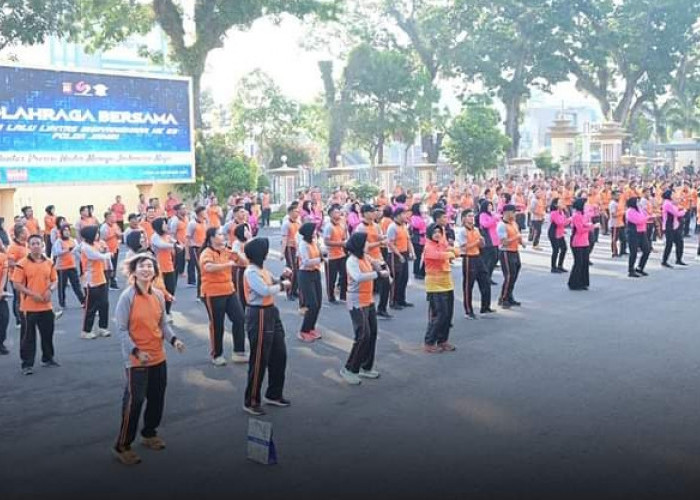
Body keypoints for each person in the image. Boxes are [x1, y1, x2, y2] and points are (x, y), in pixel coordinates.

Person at [112, 252, 185, 466]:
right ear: (134, 271)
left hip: (157, 356)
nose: (146, 269)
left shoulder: (158, 295)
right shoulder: (127, 297)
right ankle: (122, 445)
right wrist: (136, 352)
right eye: (142, 266)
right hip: (137, 360)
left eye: (150, 267)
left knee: (157, 396)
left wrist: (174, 341)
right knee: (134, 401)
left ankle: (149, 433)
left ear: (155, 272)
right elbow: (121, 329)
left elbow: (163, 324)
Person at [242, 237, 292, 416]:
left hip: (271, 311)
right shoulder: (251, 272)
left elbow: (272, 283)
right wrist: (282, 285)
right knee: (259, 358)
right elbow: (264, 290)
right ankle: (251, 400)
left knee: (280, 353)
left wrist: (282, 278)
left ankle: (274, 393)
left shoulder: (262, 269)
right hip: (259, 313)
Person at [340, 231, 388, 384]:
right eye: (366, 243)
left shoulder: (365, 257)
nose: (368, 245)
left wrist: (381, 265)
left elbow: (377, 263)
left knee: (372, 333)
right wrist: (378, 274)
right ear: (359, 245)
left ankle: (365, 366)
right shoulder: (352, 261)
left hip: (368, 300)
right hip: (356, 301)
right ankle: (349, 368)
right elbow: (358, 277)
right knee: (363, 335)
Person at [199, 228, 247, 366]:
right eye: (219, 234)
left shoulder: (227, 251)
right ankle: (217, 354)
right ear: (212, 238)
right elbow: (208, 267)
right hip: (212, 292)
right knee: (217, 324)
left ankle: (239, 352)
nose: (223, 236)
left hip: (229, 290)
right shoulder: (206, 253)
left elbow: (244, 263)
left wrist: (238, 253)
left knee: (239, 319)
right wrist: (228, 264)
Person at [13, 234, 59, 375]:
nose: (36, 246)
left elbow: (55, 280)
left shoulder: (49, 262)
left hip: (46, 306)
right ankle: (27, 364)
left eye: (38, 243)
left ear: (42, 245)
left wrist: (50, 290)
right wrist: (33, 294)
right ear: (29, 245)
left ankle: (47, 358)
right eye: (32, 243)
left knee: (47, 334)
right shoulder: (22, 264)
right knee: (28, 337)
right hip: (29, 307)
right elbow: (16, 284)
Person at [423, 223, 456, 353]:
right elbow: (439, 256)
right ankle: (429, 342)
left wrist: (450, 252)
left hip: (447, 282)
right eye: (434, 232)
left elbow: (455, 250)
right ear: (430, 233)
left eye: (439, 232)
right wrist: (450, 253)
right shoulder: (428, 246)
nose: (437, 234)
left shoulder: (441, 244)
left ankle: (443, 340)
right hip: (435, 285)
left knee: (448, 315)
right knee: (439, 315)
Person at [355, 204, 392, 319]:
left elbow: (378, 236)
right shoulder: (360, 228)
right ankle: (365, 310)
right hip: (367, 259)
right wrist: (380, 243)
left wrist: (384, 238)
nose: (374, 213)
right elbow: (364, 247)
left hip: (378, 257)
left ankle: (381, 308)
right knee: (368, 286)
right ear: (365, 213)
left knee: (386, 282)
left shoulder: (376, 225)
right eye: (371, 211)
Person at [456, 209, 492, 319]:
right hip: (468, 258)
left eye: (472, 216)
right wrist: (476, 242)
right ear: (464, 219)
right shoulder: (462, 231)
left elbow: (481, 245)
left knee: (485, 281)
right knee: (468, 285)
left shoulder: (476, 229)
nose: (472, 218)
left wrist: (482, 242)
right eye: (469, 216)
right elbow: (463, 247)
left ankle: (485, 307)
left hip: (478, 256)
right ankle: (468, 310)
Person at [80, 226, 113, 339]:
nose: (98, 235)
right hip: (91, 281)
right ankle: (86, 331)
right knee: (91, 307)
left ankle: (103, 327)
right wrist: (107, 255)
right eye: (96, 233)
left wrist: (105, 250)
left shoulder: (95, 244)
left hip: (101, 278)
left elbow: (103, 249)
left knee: (104, 304)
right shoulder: (85, 247)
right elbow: (96, 256)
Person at [296, 222, 323, 343]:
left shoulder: (314, 242)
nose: (315, 232)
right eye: (313, 231)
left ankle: (311, 327)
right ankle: (303, 330)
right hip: (305, 274)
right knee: (312, 304)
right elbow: (306, 261)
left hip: (315, 272)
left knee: (318, 303)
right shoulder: (303, 244)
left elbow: (321, 252)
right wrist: (320, 259)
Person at [151, 218, 179, 321]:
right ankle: (160, 312)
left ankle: (167, 311)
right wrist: (174, 245)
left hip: (169, 266)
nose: (166, 225)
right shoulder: (155, 237)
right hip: (159, 268)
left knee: (170, 290)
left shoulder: (167, 236)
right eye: (164, 224)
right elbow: (161, 245)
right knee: (160, 291)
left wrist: (177, 243)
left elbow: (175, 242)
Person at [497, 205, 525, 307]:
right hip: (506, 252)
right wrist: (516, 237)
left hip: (515, 251)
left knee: (514, 275)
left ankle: (509, 296)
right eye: (513, 212)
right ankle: (503, 298)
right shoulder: (501, 225)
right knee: (509, 276)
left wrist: (521, 241)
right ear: (506, 213)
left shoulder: (514, 223)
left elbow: (518, 235)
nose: (515, 214)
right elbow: (504, 242)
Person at [386, 207, 414, 310]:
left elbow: (408, 240)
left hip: (404, 253)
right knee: (396, 279)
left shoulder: (404, 226)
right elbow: (390, 244)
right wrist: (399, 255)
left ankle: (401, 299)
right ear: (397, 215)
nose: (406, 216)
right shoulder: (392, 227)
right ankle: (393, 301)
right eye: (403, 214)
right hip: (395, 255)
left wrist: (412, 252)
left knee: (404, 278)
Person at [53, 223, 85, 309]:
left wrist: (82, 259)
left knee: (76, 285)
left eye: (68, 230)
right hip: (61, 268)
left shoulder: (73, 240)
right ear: (61, 232)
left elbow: (77, 251)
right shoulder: (59, 241)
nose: (67, 232)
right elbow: (56, 253)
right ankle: (62, 303)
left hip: (72, 266)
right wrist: (67, 250)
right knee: (62, 286)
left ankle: (83, 301)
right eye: (65, 231)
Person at [568, 198, 597, 291]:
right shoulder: (576, 215)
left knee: (584, 263)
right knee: (578, 263)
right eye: (585, 205)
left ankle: (582, 282)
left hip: (585, 241)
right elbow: (580, 230)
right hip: (577, 241)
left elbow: (586, 224)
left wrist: (589, 225)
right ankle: (573, 283)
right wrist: (592, 227)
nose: (586, 207)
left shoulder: (583, 215)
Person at [323, 204, 348, 304]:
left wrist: (344, 243)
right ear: (330, 215)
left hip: (341, 254)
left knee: (344, 275)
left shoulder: (342, 225)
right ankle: (331, 296)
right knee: (331, 278)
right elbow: (326, 242)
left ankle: (343, 295)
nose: (338, 214)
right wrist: (340, 243)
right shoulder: (329, 227)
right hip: (332, 255)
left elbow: (343, 238)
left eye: (338, 212)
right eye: (335, 212)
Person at [7, 224, 29, 328]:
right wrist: (22, 266)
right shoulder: (13, 247)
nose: (28, 233)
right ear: (20, 234)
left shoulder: (25, 244)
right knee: (18, 298)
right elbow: (10, 263)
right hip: (16, 277)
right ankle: (19, 320)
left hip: (27, 276)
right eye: (26, 231)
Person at [625, 197, 652, 278]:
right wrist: (647, 218)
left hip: (642, 232)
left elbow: (645, 216)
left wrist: (646, 216)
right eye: (637, 202)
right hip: (633, 233)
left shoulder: (639, 209)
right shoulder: (629, 211)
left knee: (646, 250)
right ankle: (631, 270)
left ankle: (640, 267)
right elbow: (638, 221)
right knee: (633, 252)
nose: (639, 203)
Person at [661, 189, 687, 268]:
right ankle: (664, 261)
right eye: (672, 194)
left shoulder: (670, 203)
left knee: (680, 242)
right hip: (669, 226)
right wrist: (684, 211)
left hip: (674, 225)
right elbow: (676, 213)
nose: (673, 196)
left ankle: (678, 259)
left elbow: (677, 207)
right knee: (669, 244)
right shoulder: (667, 203)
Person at [280, 204, 301, 300]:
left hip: (297, 248)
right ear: (290, 212)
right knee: (292, 270)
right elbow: (284, 239)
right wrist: (282, 252)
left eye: (298, 211)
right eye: (296, 211)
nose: (297, 213)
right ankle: (289, 292)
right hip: (289, 248)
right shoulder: (286, 224)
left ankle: (294, 290)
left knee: (297, 269)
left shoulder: (298, 222)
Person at [186, 206, 207, 297]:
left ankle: (205, 291)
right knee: (200, 270)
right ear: (200, 213)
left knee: (205, 269)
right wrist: (187, 253)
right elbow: (187, 238)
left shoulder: (205, 223)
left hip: (204, 248)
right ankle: (200, 294)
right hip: (195, 248)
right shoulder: (192, 224)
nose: (206, 213)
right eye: (204, 212)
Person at [478, 200, 500, 285]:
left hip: (495, 239)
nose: (490, 207)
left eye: (491, 205)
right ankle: (485, 277)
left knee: (495, 258)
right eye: (489, 206)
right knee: (488, 260)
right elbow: (485, 224)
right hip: (488, 239)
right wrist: (494, 220)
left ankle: (489, 276)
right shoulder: (483, 215)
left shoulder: (492, 214)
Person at [100, 211, 122, 290]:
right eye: (113, 216)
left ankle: (112, 280)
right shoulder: (104, 227)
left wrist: (119, 235)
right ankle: (110, 283)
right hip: (108, 250)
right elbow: (102, 238)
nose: (115, 218)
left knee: (114, 266)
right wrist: (114, 234)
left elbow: (119, 234)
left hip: (115, 248)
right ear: (108, 218)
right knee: (109, 267)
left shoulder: (115, 225)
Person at [548, 198, 570, 273]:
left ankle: (560, 265)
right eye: (561, 202)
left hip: (560, 233)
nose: (563, 203)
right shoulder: (554, 213)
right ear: (556, 205)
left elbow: (564, 223)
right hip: (553, 233)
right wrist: (569, 219)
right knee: (556, 250)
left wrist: (564, 228)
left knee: (564, 248)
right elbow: (560, 222)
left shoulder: (562, 212)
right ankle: (553, 267)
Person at [409, 203, 426, 279]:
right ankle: (417, 272)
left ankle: (420, 271)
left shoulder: (418, 217)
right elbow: (416, 226)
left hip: (421, 238)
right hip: (418, 238)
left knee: (420, 256)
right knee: (418, 256)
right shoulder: (415, 217)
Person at [0, 244, 10, 355]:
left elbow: (4, 275)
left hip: (1, 292)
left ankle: (0, 342)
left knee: (4, 318)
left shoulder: (3, 257)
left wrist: (1, 290)